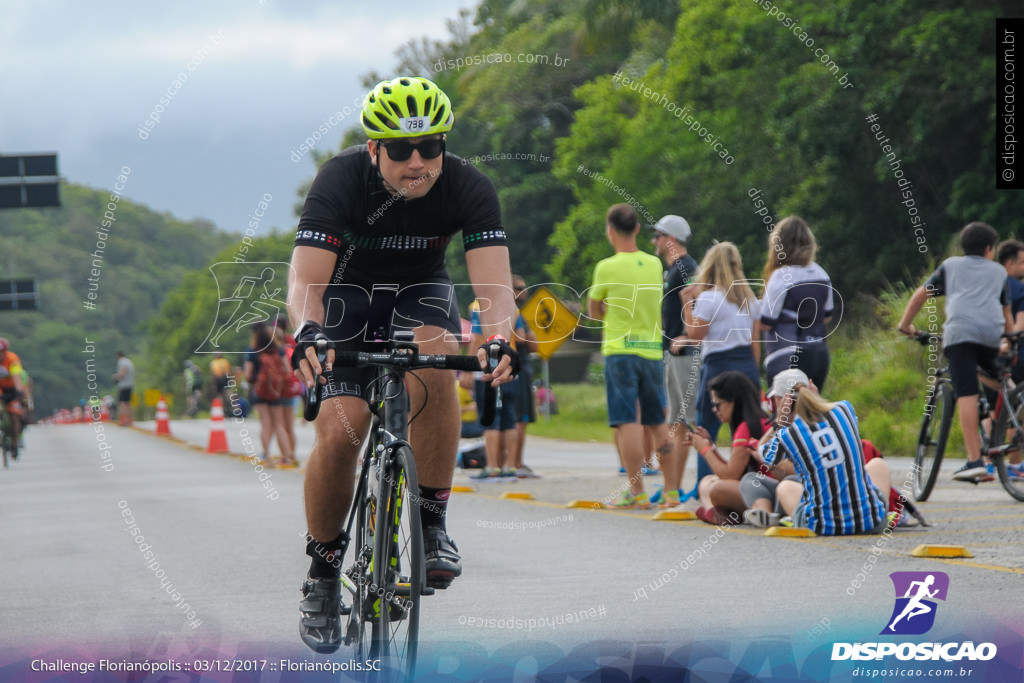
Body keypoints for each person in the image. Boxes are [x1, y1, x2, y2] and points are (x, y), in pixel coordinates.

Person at [287, 76, 518, 654]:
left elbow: (492, 286)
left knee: (439, 358)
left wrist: (499, 339)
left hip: (421, 291)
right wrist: (307, 331)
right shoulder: (341, 179)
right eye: (399, 150)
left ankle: (431, 522)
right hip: (346, 299)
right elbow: (306, 282)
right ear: (374, 150)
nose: (417, 162)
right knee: (341, 436)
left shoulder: (468, 185)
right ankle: (321, 574)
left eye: (430, 147)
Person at [898, 222, 1013, 482]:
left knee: (967, 392)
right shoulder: (998, 272)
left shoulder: (951, 266)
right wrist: (1006, 339)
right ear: (988, 249)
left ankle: (975, 461)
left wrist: (905, 325)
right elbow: (1006, 312)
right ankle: (1015, 402)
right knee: (997, 379)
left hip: (960, 334)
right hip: (992, 335)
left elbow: (921, 295)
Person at [588, 203, 673, 509]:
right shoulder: (654, 264)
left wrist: (610, 309)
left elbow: (594, 310)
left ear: (610, 231)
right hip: (651, 349)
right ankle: (671, 490)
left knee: (627, 421)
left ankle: (636, 491)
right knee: (656, 419)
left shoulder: (606, 267)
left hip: (620, 349)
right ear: (637, 229)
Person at [759, 369, 892, 535]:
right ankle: (879, 512)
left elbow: (765, 455)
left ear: (781, 400)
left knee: (786, 487)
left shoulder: (788, 435)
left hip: (822, 527)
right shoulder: (845, 409)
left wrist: (780, 422)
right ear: (811, 389)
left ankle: (799, 518)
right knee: (878, 464)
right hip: (872, 522)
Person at [683, 242, 761, 487]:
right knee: (749, 427)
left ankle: (707, 485)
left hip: (718, 365)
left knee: (707, 427)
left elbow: (695, 335)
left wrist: (688, 304)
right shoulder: (749, 299)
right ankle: (750, 482)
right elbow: (755, 342)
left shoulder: (708, 297)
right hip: (747, 365)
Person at [652, 214, 700, 507]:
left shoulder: (685, 267)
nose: (653, 242)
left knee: (688, 421)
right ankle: (673, 487)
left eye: (656, 236)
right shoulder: (675, 269)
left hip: (685, 353)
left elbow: (698, 298)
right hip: (673, 351)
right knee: (677, 422)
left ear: (669, 239)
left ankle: (695, 487)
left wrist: (686, 335)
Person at [689, 371, 776, 525]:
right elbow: (734, 470)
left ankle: (715, 513)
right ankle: (716, 513)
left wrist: (705, 450)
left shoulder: (746, 426)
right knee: (707, 481)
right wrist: (712, 447)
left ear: (734, 402)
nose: (715, 409)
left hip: (766, 491)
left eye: (718, 404)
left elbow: (730, 476)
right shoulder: (757, 419)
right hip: (764, 487)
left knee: (716, 488)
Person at [760, 216, 833, 390]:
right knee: (810, 413)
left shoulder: (780, 277)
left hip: (787, 356)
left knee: (785, 415)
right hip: (819, 354)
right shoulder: (821, 274)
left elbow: (765, 322)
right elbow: (827, 316)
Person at [468, 297, 521, 480]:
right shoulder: (513, 307)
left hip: (489, 369)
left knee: (489, 418)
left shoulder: (479, 306)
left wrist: (468, 370)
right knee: (509, 418)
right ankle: (510, 466)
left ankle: (492, 466)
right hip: (510, 367)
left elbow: (476, 338)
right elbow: (520, 334)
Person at [244, 324, 296, 466]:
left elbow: (248, 374)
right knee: (279, 424)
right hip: (276, 391)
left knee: (265, 423)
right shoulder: (279, 349)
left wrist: (257, 380)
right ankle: (287, 456)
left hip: (260, 391)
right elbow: (288, 370)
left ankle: (266, 456)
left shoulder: (253, 350)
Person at [511, 275, 540, 478]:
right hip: (518, 367)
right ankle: (516, 462)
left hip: (517, 367)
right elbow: (526, 340)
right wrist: (529, 337)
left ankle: (511, 462)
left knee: (514, 419)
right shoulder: (513, 312)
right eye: (519, 288)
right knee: (520, 418)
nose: (524, 292)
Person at [0, 338, 27, 448]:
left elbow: (17, 378)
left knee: (15, 414)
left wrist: (19, 393)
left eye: (1, 353)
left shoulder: (12, 359)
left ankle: (15, 441)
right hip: (1, 388)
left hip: (13, 389)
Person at [112, 351, 135, 426]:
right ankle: (129, 420)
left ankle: (125, 420)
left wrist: (116, 377)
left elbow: (122, 373)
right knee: (127, 403)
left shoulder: (122, 362)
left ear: (118, 356)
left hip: (124, 385)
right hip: (130, 384)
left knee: (122, 403)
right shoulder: (129, 361)